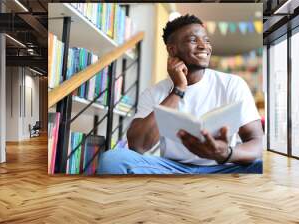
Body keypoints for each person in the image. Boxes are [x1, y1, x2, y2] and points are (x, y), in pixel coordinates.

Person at [97, 14, 264, 174]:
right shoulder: (154, 93)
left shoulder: (232, 84)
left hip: (222, 166)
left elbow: (257, 142)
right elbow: (137, 146)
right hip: (172, 168)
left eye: (206, 40)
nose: (203, 46)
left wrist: (226, 153)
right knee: (112, 159)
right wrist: (178, 89)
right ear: (172, 50)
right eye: (193, 40)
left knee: (260, 164)